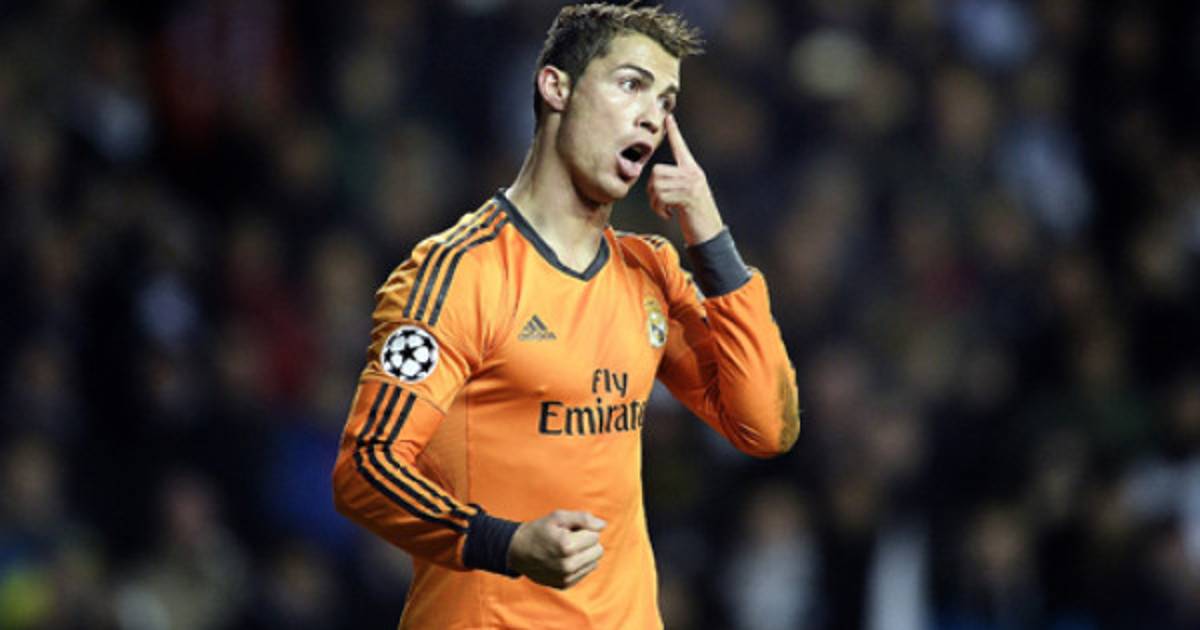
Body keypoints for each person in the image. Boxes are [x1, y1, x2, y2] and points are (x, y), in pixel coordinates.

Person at [331, 4, 800, 628]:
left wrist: (711, 241)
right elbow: (366, 468)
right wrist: (505, 543)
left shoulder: (650, 272)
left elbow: (766, 426)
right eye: (631, 84)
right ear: (556, 87)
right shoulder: (460, 274)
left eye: (666, 101)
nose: (652, 116)